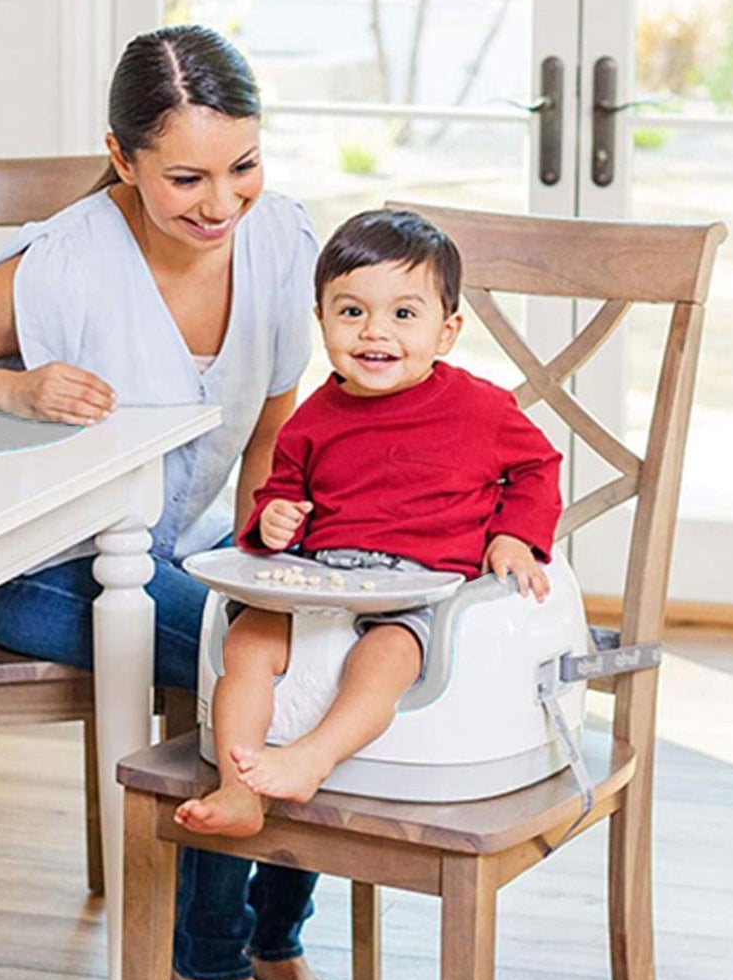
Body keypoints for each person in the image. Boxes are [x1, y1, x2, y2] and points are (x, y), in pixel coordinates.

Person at [0, 25, 340, 980]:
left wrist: (273, 565)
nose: (220, 203)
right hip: (41, 573)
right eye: (185, 177)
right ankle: (203, 965)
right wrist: (12, 388)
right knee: (245, 665)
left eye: (243, 165)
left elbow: (268, 426)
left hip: (179, 551)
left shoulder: (281, 240)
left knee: (318, 641)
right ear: (121, 158)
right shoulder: (63, 265)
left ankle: (268, 936)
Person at [175, 208, 562, 839]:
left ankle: (311, 757)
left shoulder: (482, 410)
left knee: (383, 660)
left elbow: (538, 468)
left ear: (447, 330)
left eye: (404, 314)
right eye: (351, 311)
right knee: (245, 645)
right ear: (321, 319)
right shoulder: (312, 418)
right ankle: (238, 789)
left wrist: (514, 535)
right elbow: (282, 493)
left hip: (417, 589)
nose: (375, 332)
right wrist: (273, 521)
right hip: (319, 580)